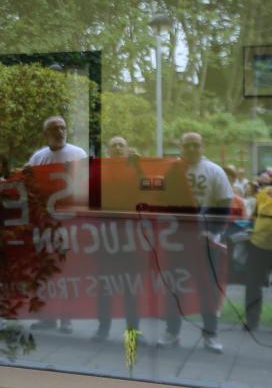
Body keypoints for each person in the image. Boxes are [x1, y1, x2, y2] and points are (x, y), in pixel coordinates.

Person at [158, 132, 231, 353]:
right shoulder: (171, 172)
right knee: (174, 287)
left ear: (202, 146)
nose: (191, 149)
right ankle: (172, 332)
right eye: (187, 145)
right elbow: (161, 202)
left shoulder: (215, 171)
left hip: (205, 241)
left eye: (195, 145)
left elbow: (224, 205)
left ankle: (211, 335)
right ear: (180, 147)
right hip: (178, 241)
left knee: (208, 289)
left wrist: (213, 232)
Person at [28, 116, 87, 334]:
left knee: (66, 271)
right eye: (55, 129)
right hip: (44, 224)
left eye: (63, 127)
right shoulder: (38, 158)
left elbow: (86, 188)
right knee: (44, 271)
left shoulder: (78, 155)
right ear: (46, 134)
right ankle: (47, 317)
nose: (60, 131)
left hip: (69, 224)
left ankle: (66, 319)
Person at [92, 136, 142, 342]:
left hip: (130, 238)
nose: (119, 147)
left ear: (128, 148)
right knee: (105, 285)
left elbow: (149, 189)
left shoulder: (135, 169)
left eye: (122, 144)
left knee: (131, 287)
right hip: (105, 238)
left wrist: (138, 168)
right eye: (114, 145)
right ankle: (103, 327)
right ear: (108, 151)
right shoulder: (100, 170)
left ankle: (132, 332)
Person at [244, 182, 272, 331]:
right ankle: (252, 320)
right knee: (253, 284)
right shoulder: (263, 194)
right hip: (258, 245)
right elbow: (253, 217)